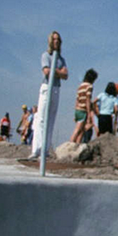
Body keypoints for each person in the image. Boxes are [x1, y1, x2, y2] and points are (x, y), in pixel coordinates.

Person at [29, 31, 68, 159]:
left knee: (51, 120)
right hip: (46, 87)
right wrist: (58, 72)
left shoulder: (61, 59)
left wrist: (56, 72)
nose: (56, 41)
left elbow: (66, 75)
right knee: (41, 118)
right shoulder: (46, 55)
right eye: (54, 39)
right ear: (51, 41)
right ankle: (36, 149)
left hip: (56, 88)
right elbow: (46, 71)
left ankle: (45, 150)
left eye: (58, 39)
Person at [71, 69, 98, 144]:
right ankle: (70, 145)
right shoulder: (89, 86)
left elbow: (77, 99)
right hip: (83, 110)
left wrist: (75, 110)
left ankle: (76, 146)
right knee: (77, 130)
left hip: (78, 109)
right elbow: (88, 100)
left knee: (82, 131)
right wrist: (89, 113)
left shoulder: (80, 86)